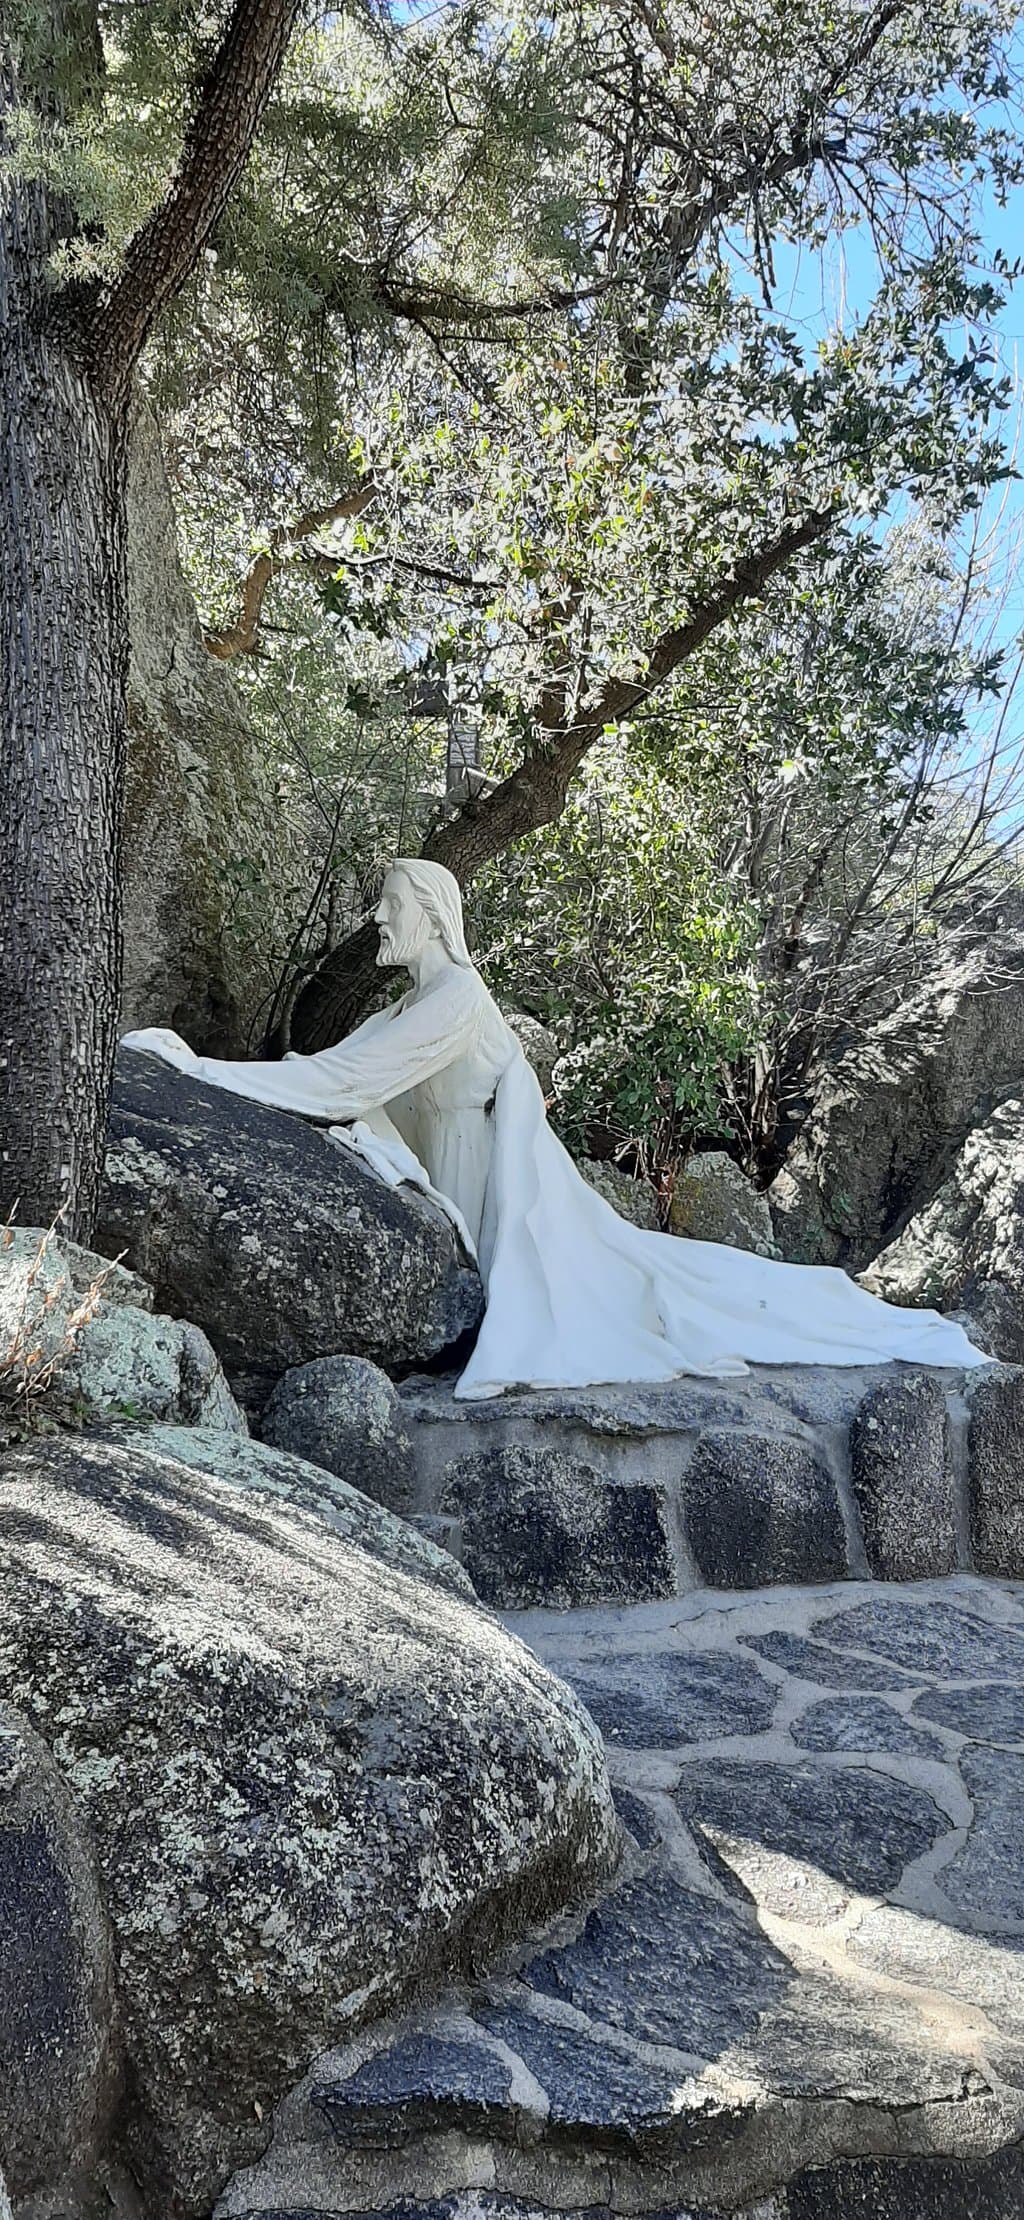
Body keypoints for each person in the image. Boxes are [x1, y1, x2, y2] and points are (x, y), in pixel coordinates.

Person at [122, 858, 990, 1399]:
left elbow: (343, 1082)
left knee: (657, 1295)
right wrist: (202, 1069)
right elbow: (324, 1074)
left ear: (430, 912)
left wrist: (195, 1073)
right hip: (455, 1171)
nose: (377, 919)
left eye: (389, 905)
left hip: (485, 1175)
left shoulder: (458, 999)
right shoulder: (410, 1001)